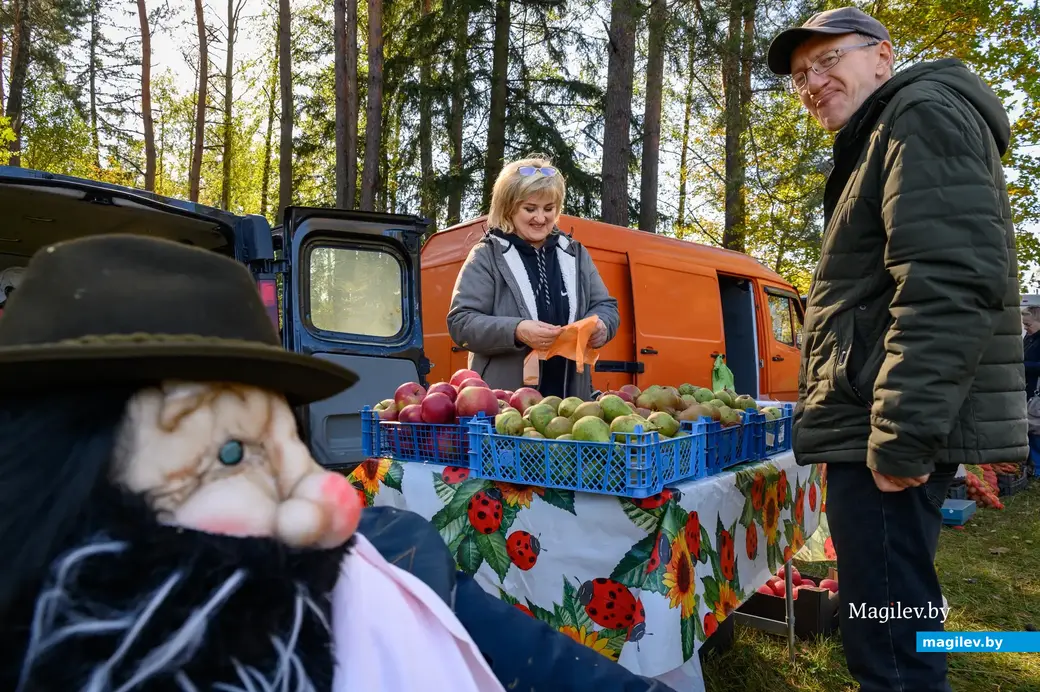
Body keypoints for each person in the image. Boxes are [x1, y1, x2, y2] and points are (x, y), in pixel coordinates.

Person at [767, 7, 1026, 692]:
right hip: (878, 425)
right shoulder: (885, 131)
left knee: (887, 647)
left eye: (828, 61)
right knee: (892, 616)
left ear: (883, 56)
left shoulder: (919, 114)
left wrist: (904, 436)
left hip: (883, 434)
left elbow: (948, 282)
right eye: (800, 76)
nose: (812, 82)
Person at [447, 155, 620, 399]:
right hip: (504, 407)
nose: (541, 218)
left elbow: (605, 306)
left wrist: (603, 325)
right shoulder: (487, 255)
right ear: (508, 208)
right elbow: (461, 322)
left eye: (549, 209)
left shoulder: (575, 253)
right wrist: (517, 330)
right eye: (530, 209)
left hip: (570, 406)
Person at [1022, 306, 1040, 471]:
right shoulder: (1029, 338)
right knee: (1030, 426)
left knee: (1036, 428)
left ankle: (1037, 467)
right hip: (1028, 387)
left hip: (1037, 390)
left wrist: (1022, 365)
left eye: (1028, 324)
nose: (1026, 328)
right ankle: (1032, 464)